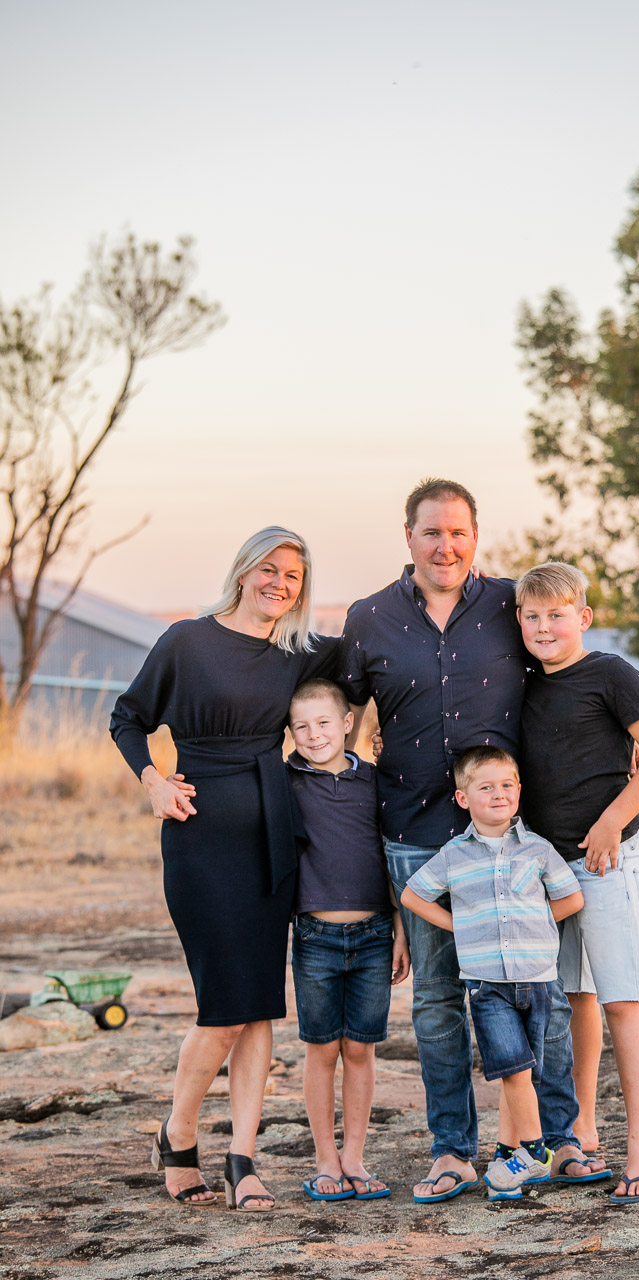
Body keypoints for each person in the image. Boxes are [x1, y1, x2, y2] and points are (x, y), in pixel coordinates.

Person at [338, 478, 608, 1201]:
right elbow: (340, 722)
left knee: (534, 993)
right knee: (435, 999)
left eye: (457, 532)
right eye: (431, 532)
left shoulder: (509, 604)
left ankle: (554, 1142)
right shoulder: (367, 620)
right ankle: (451, 1150)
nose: (445, 545)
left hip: (510, 837)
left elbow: (565, 673)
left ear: (475, 536)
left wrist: (622, 744)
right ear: (408, 537)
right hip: (416, 835)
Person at [110, 527, 338, 1210]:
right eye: (269, 570)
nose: (279, 584)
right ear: (244, 572)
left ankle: (243, 1157)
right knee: (223, 1005)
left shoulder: (296, 656)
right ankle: (178, 1133)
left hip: (273, 840)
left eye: (293, 576)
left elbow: (374, 670)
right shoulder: (186, 641)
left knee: (262, 1004)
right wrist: (151, 780)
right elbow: (128, 717)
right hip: (200, 841)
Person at [515, 561, 639, 1205]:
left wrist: (613, 821)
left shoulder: (611, 673)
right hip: (546, 867)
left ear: (583, 617)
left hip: (608, 858)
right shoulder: (523, 682)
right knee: (570, 997)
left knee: (621, 997)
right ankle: (579, 1130)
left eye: (557, 614)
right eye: (530, 616)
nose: (543, 626)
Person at [401, 746, 585, 1202]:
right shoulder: (453, 855)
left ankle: (561, 1146)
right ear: (463, 799)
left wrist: (540, 922)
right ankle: (534, 1152)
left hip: (542, 978)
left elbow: (571, 899)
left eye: (507, 785)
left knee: (554, 1066)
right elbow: (413, 896)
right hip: (487, 985)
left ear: (519, 791)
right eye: (486, 787)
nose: (499, 794)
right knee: (513, 1068)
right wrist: (458, 927)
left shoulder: (538, 849)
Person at [285, 679, 410, 1202]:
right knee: (321, 1050)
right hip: (314, 935)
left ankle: (355, 1156)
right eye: (301, 727)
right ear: (289, 734)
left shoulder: (373, 781)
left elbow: (389, 858)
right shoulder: (284, 779)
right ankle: (325, 1160)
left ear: (347, 724)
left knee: (360, 1048)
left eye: (323, 723)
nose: (314, 735)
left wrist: (401, 927)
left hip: (375, 933)